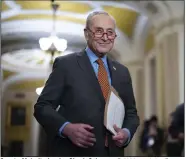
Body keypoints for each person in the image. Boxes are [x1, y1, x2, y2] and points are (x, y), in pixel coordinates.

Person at [34, 11, 139, 157]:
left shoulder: (123, 72)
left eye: (110, 32)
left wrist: (126, 133)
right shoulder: (66, 65)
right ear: (86, 34)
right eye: (98, 31)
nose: (105, 37)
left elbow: (131, 114)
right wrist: (66, 128)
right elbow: (42, 107)